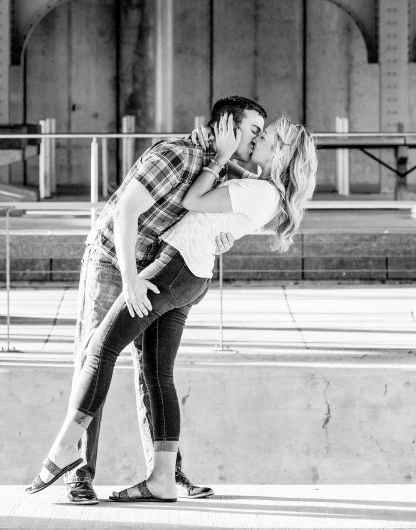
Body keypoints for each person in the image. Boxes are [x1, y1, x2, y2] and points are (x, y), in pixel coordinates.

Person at [26, 114, 318, 501]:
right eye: (255, 131)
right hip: (190, 274)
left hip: (174, 267)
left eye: (265, 136)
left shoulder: (259, 190)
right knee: (155, 373)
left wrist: (218, 159)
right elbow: (215, 210)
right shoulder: (261, 188)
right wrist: (220, 159)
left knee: (100, 349)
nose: (259, 138)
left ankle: (65, 451)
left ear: (280, 151)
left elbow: (192, 200)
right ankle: (163, 478)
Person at [57, 96, 267, 505]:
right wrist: (130, 278)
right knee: (94, 355)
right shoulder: (175, 153)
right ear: (227, 124)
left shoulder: (220, 167)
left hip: (154, 265)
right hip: (112, 261)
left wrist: (221, 237)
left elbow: (206, 218)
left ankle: (165, 472)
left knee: (149, 369)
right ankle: (77, 474)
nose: (257, 139)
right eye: (254, 130)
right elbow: (125, 213)